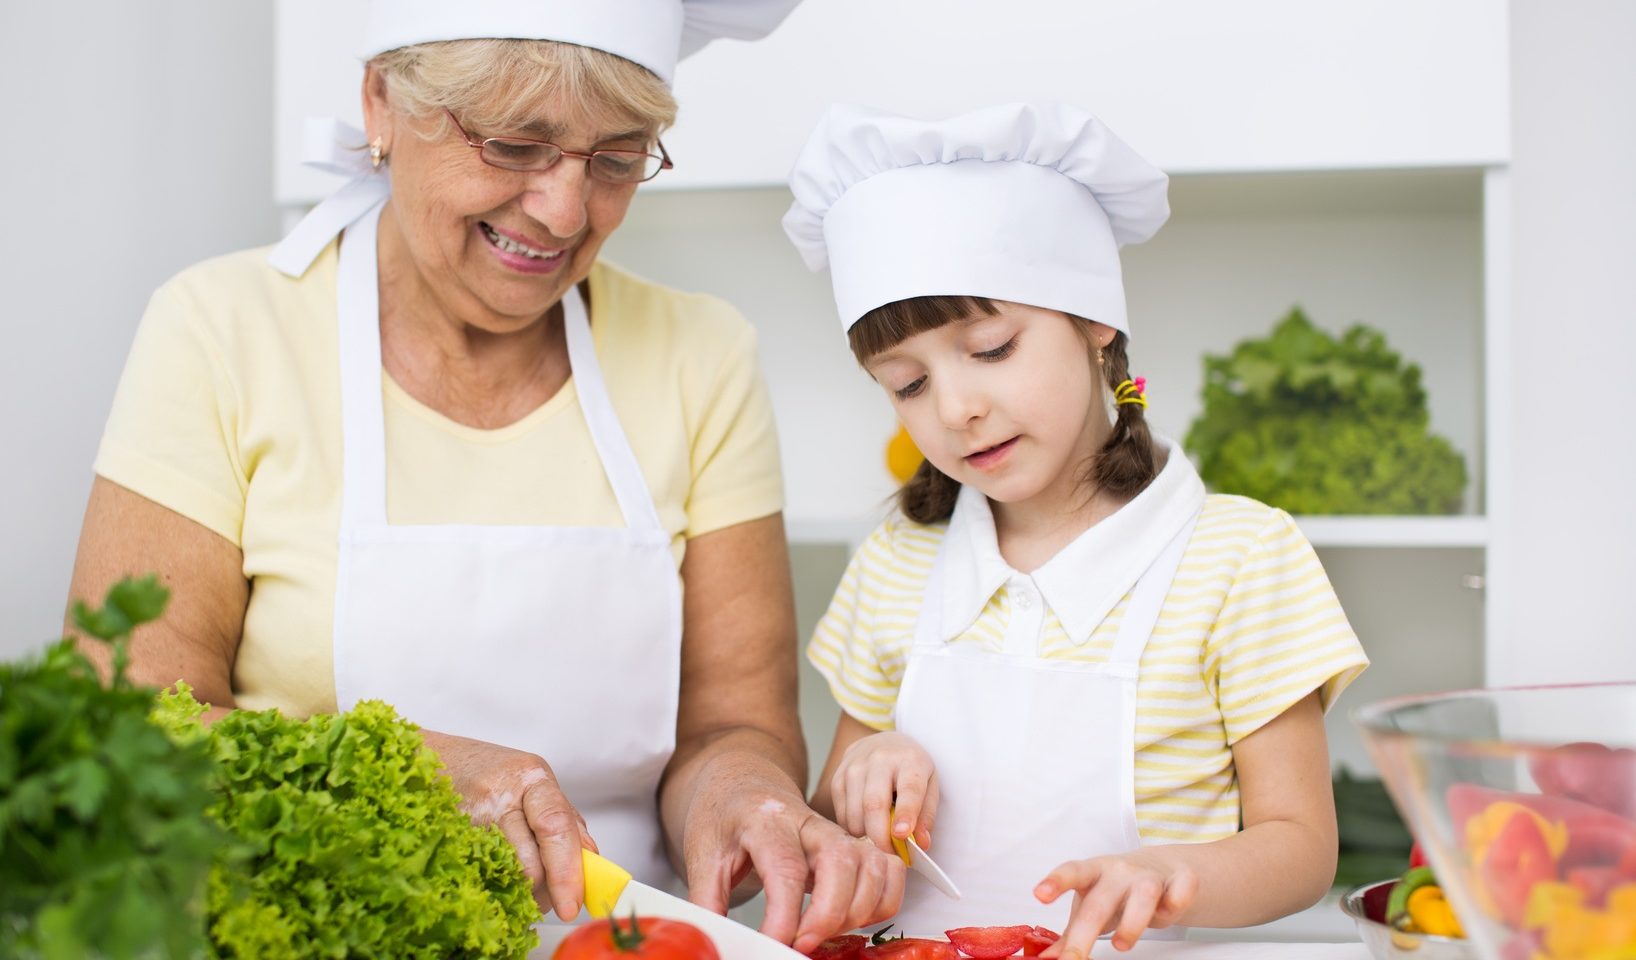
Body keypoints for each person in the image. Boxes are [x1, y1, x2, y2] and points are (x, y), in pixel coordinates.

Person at [67, 3, 903, 951]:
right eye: (513, 145)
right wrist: (393, 772)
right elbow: (125, 729)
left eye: (617, 159)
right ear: (381, 104)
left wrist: (746, 794)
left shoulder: (700, 354)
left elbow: (731, 726)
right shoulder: (221, 330)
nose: (565, 212)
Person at [782, 102, 1370, 955]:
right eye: (908, 384)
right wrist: (861, 778)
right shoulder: (896, 560)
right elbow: (837, 832)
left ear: (1097, 322)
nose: (956, 408)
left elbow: (1302, 849)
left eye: (991, 349)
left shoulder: (1241, 558)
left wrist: (1173, 875)